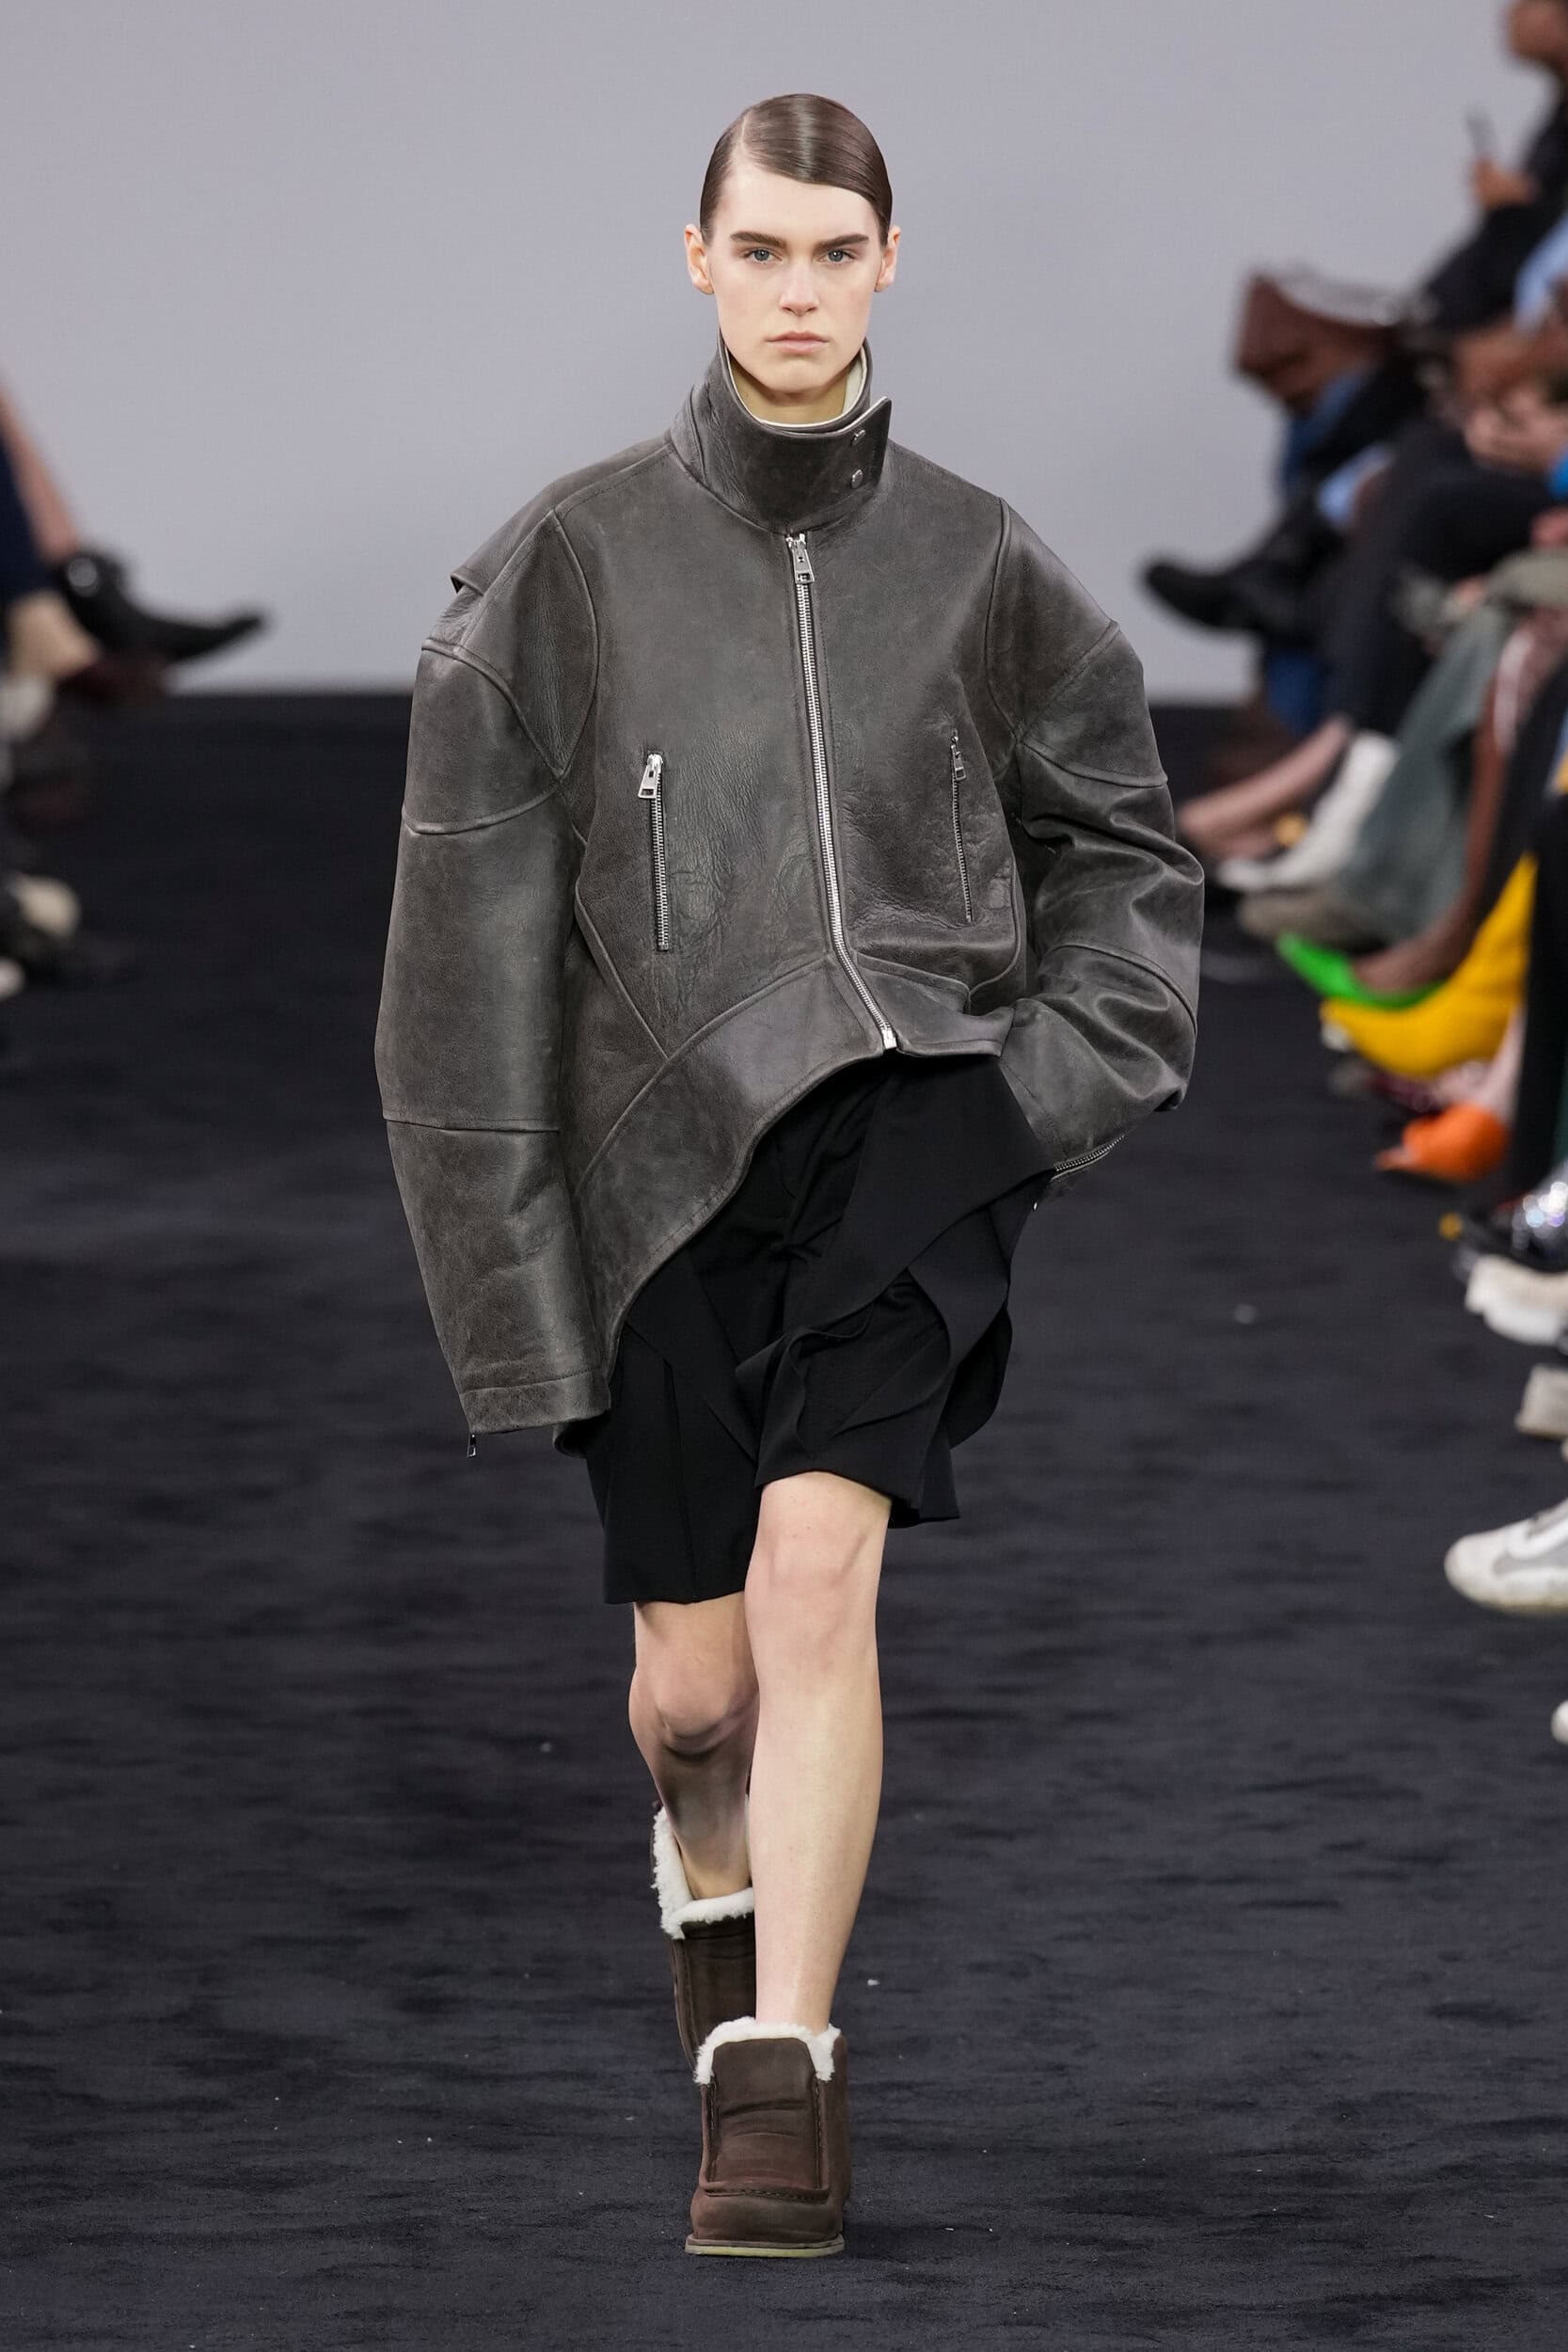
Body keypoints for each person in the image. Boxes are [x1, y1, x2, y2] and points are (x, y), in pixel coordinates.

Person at [374, 90, 1204, 2258]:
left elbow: (1123, 853)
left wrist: (1049, 1086)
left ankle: (782, 2070)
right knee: (697, 1686)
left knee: (820, 1575)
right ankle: (706, 1848)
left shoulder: (981, 560)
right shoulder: (559, 570)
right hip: (655, 1163)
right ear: (699, 259)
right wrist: (513, 1305)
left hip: (922, 1115)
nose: (802, 293)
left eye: (838, 253)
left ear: (887, 263)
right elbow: (456, 983)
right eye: (764, 251)